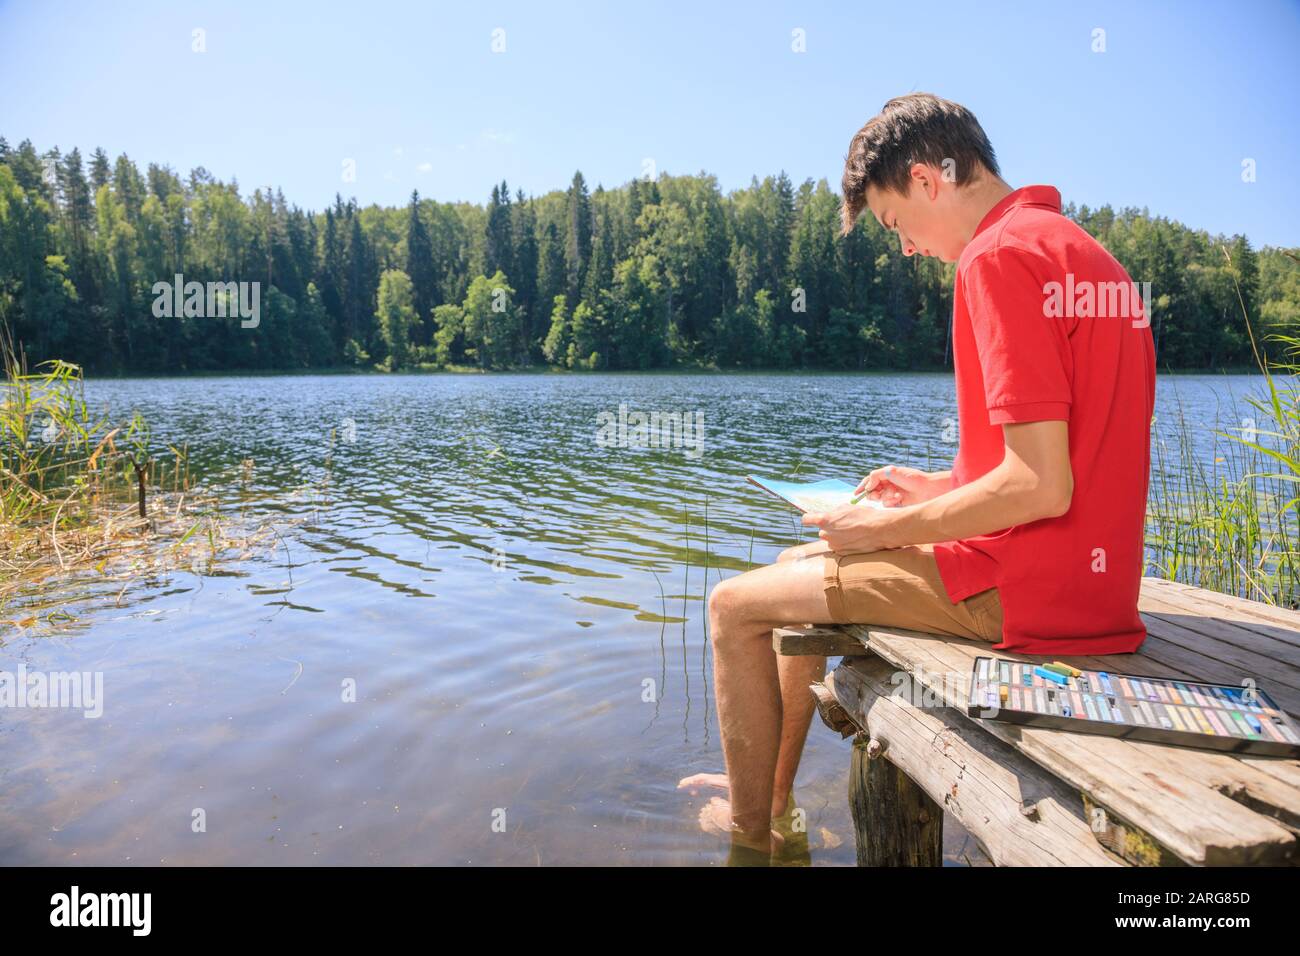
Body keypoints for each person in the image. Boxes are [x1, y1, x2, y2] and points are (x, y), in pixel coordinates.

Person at [679, 92, 1156, 864]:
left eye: (896, 223)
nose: (903, 248)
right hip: (1088, 582)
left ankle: (750, 836)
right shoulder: (1078, 252)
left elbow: (1042, 487)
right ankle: (764, 792)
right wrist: (932, 487)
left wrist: (884, 527)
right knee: (792, 566)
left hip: (1030, 597)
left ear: (929, 179)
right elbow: (1061, 462)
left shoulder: (995, 260)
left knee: (731, 606)